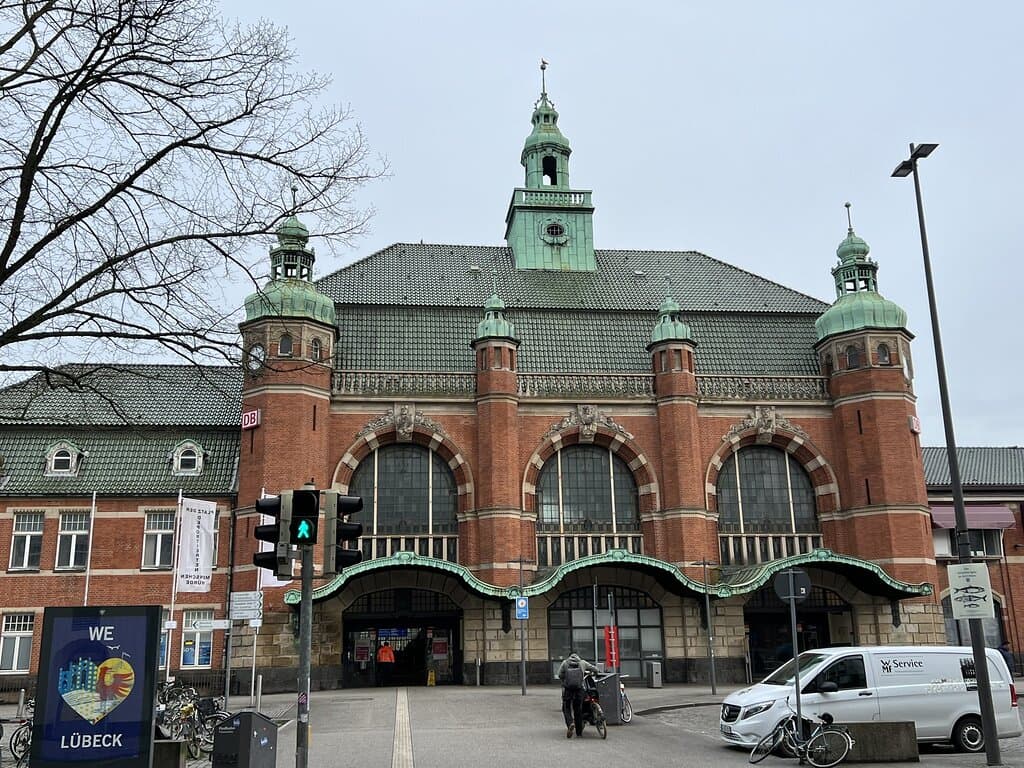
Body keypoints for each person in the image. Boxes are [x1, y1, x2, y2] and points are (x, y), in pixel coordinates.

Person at [556, 652, 599, 738]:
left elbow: (560, 674)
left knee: (566, 708)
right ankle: (579, 732)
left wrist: (564, 680)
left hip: (568, 689)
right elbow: (594, 669)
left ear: (569, 656)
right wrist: (595, 673)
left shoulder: (565, 663)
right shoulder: (582, 663)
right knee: (578, 710)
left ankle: (570, 724)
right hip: (579, 690)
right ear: (578, 656)